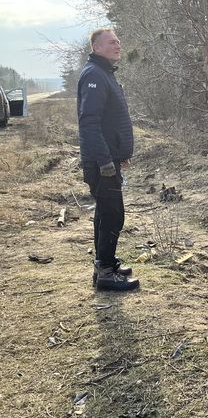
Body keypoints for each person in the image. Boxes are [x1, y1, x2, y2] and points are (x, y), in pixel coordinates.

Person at [77, 28, 139, 291]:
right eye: (112, 42)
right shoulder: (94, 75)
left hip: (108, 159)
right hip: (100, 163)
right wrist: (104, 161)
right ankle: (104, 273)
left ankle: (106, 263)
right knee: (114, 214)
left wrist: (118, 155)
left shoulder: (105, 74)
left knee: (105, 212)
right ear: (96, 47)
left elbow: (110, 122)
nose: (118, 45)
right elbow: (89, 123)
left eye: (119, 41)